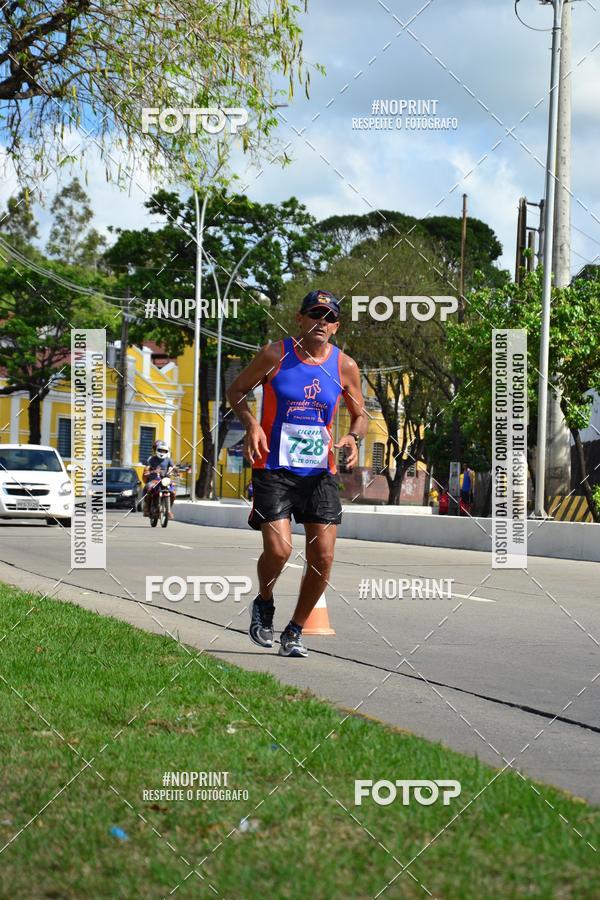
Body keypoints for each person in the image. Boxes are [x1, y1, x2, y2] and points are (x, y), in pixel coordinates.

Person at [227, 289, 367, 658]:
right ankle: (265, 601)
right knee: (281, 548)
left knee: (323, 555)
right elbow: (237, 391)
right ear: (300, 318)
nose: (322, 322)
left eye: (329, 317)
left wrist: (353, 437)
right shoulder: (275, 354)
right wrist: (252, 425)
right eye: (315, 314)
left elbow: (360, 415)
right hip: (273, 466)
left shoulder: (344, 366)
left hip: (320, 472)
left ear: (336, 327)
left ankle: (294, 630)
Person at [142, 440, 177, 519]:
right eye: (160, 450)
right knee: (147, 488)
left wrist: (176, 471)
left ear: (167, 451)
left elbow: (173, 467)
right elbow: (147, 467)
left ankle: (169, 511)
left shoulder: (169, 459)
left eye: (164, 451)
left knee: (173, 493)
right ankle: (147, 508)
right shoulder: (152, 459)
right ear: (156, 450)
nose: (162, 452)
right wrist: (148, 471)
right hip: (154, 480)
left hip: (165, 480)